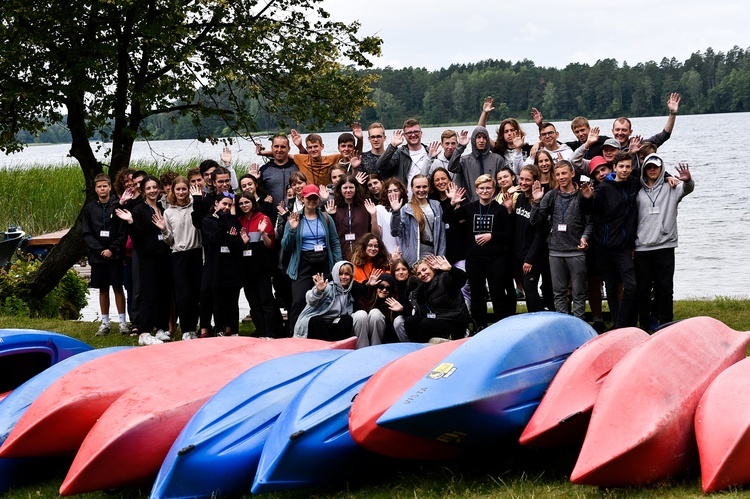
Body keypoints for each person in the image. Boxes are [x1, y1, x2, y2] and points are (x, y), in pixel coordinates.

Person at [443, 174, 514, 329]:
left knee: (497, 294)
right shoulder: (469, 208)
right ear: (476, 190)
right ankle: (479, 326)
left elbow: (509, 234)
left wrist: (492, 236)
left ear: (494, 190)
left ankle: (500, 327)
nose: (485, 191)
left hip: (495, 259)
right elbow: (447, 218)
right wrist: (452, 203)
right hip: (474, 259)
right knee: (477, 294)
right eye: (481, 188)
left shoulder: (500, 210)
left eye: (488, 188)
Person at [580, 150, 641, 328]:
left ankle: (622, 322)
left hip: (622, 247)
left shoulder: (633, 183)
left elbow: (650, 173)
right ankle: (618, 324)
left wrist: (668, 177)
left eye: (628, 166)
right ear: (614, 167)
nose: (624, 170)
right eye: (621, 166)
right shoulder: (603, 189)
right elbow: (589, 209)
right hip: (603, 248)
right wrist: (586, 198)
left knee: (631, 286)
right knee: (611, 288)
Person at [635, 156, 694, 331]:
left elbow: (687, 189)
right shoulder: (637, 191)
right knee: (643, 290)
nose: (652, 170)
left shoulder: (671, 187)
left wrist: (688, 180)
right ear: (644, 170)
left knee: (665, 289)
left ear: (662, 169)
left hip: (665, 246)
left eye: (656, 167)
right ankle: (644, 324)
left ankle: (667, 324)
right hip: (642, 247)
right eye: (649, 167)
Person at [530, 161, 592, 320]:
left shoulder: (582, 194)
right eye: (558, 174)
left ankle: (579, 324)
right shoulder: (551, 195)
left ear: (572, 173)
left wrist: (585, 237)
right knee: (559, 293)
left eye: (564, 173)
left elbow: (590, 221)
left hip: (576, 251)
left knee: (579, 292)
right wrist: (536, 201)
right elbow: (535, 221)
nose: (561, 177)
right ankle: (563, 325)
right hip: (555, 251)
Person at [115, 176, 172, 343]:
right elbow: (137, 237)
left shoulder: (162, 207)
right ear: (144, 191)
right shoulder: (140, 209)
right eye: (149, 188)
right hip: (147, 258)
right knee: (148, 294)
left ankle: (161, 328)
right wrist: (131, 222)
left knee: (163, 293)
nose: (152, 190)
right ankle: (144, 332)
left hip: (164, 256)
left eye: (155, 187)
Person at [282, 184, 342, 334]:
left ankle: (318, 334)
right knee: (299, 301)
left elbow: (334, 242)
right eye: (309, 198)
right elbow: (285, 245)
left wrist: (337, 264)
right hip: (302, 263)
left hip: (322, 262)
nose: (312, 201)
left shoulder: (326, 218)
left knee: (323, 300)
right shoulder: (295, 218)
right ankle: (295, 335)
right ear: (302, 199)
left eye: (315, 198)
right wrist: (293, 230)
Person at [152, 176, 203, 340]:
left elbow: (202, 224)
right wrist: (164, 230)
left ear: (188, 190)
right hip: (178, 255)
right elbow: (169, 241)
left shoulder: (196, 206)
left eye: (184, 189)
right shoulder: (168, 212)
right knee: (183, 294)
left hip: (196, 253)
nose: (181, 192)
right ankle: (186, 329)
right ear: (173, 191)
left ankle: (193, 329)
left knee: (195, 294)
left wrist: (198, 200)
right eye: (178, 189)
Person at [83, 173, 129, 336]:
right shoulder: (89, 208)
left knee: (117, 287)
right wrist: (100, 250)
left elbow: (123, 232)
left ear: (110, 187)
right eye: (99, 186)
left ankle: (123, 323)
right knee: (102, 288)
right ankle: (105, 323)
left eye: (105, 186)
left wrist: (113, 249)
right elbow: (87, 233)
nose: (102, 189)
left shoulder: (118, 205)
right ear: (95, 189)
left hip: (115, 254)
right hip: (98, 256)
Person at [236, 192, 279, 337]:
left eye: (246, 202)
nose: (244, 206)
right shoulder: (238, 220)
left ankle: (271, 333)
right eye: (241, 203)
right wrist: (242, 242)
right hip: (245, 268)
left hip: (262, 267)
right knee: (253, 303)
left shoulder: (263, 218)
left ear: (253, 202)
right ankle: (260, 332)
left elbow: (270, 245)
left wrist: (263, 233)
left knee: (266, 301)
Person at [201, 192, 244, 337]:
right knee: (218, 300)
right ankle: (219, 328)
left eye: (230, 205)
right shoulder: (207, 221)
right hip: (216, 266)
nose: (226, 207)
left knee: (233, 300)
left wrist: (233, 239)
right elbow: (214, 240)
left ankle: (232, 329)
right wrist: (223, 227)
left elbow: (237, 243)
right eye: (224, 204)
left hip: (232, 265)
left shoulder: (233, 220)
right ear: (216, 204)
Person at [510, 165, 551, 314]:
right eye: (521, 178)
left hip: (534, 255)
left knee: (531, 288)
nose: (523, 182)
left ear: (535, 181)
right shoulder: (520, 197)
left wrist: (530, 259)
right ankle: (533, 317)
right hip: (520, 253)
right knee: (527, 290)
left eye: (528, 180)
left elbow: (540, 233)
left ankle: (539, 318)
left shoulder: (539, 201)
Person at [404, 255, 470, 343]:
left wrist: (451, 269)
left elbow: (461, 279)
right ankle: (416, 347)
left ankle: (421, 351)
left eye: (424, 270)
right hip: (438, 320)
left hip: (455, 322)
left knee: (426, 323)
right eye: (419, 273)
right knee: (410, 321)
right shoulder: (422, 289)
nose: (423, 274)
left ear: (432, 269)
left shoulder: (444, 277)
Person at [389, 174, 446, 267]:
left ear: (429, 187)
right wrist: (395, 212)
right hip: (413, 255)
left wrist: (440, 257)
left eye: (424, 187)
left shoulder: (436, 205)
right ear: (412, 188)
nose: (421, 190)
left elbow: (442, 235)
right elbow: (395, 232)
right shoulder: (406, 208)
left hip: (432, 253)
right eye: (418, 187)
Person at [294, 261, 356, 341]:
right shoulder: (327, 287)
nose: (343, 277)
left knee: (347, 319)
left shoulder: (349, 292)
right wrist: (318, 291)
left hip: (331, 323)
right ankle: (324, 350)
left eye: (347, 274)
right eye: (340, 274)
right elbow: (310, 299)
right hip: (316, 324)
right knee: (317, 320)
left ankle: (338, 349)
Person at [326, 174, 378, 260]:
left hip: (362, 254)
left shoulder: (365, 206)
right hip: (340, 255)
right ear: (340, 189)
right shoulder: (334, 207)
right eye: (345, 188)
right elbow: (329, 235)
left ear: (356, 188)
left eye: (351, 187)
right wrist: (331, 216)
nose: (348, 190)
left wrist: (373, 215)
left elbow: (375, 234)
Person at [447, 126, 504, 202]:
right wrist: (460, 147)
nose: (481, 140)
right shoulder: (465, 160)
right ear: (474, 140)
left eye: (484, 138)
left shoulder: (497, 159)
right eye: (478, 137)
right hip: (472, 203)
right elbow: (452, 168)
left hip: (493, 202)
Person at [377, 118, 430, 193]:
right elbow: (380, 166)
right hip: (405, 199)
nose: (413, 134)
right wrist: (392, 146)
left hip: (427, 198)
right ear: (404, 135)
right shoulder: (399, 153)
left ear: (421, 133)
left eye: (416, 131)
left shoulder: (430, 152)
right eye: (409, 133)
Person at [477, 97, 530, 173]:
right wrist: (485, 113)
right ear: (502, 134)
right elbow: (480, 131)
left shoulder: (527, 148)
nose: (509, 133)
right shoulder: (499, 149)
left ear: (518, 131)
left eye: (512, 130)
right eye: (506, 131)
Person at [352, 271, 402, 348]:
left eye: (388, 288)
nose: (384, 290)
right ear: (376, 286)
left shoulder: (393, 304)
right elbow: (353, 286)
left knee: (375, 313)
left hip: (381, 342)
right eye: (381, 286)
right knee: (361, 315)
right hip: (361, 337)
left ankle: (375, 349)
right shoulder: (367, 294)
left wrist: (401, 310)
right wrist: (367, 284)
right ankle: (362, 350)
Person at [256, 133, 299, 206]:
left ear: (289, 149)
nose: (279, 150)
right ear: (272, 148)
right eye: (276, 146)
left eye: (283, 147)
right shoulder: (264, 169)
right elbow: (257, 193)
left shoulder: (297, 166)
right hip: (271, 215)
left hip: (295, 213)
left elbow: (309, 159)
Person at [374, 178, 405, 256]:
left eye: (396, 190)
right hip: (387, 253)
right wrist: (373, 216)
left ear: (401, 192)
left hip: (405, 253)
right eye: (389, 191)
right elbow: (376, 235)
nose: (393, 193)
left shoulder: (407, 208)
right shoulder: (380, 209)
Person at [390, 258, 418, 342]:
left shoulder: (414, 283)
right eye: (397, 270)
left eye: (404, 269)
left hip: (417, 319)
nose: (401, 272)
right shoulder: (393, 287)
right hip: (405, 318)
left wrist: (402, 309)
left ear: (408, 271)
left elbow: (418, 309)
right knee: (398, 321)